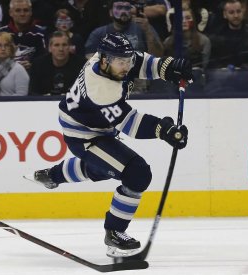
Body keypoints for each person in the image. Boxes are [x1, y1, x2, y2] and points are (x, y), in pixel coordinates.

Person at [27, 32, 192, 258]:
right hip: (84, 135)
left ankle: (52, 175)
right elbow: (131, 124)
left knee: (101, 168)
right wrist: (164, 130)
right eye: (120, 62)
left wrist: (169, 67)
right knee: (137, 173)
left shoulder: (111, 60)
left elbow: (142, 63)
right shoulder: (100, 88)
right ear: (104, 60)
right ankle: (114, 233)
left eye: (127, 60)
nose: (125, 66)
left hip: (97, 127)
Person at [85, 0, 164, 59]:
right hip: (108, 77)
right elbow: (89, 58)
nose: (123, 11)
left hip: (138, 75)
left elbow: (158, 55)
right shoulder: (99, 33)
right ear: (110, 12)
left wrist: (147, 31)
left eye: (127, 8)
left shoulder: (143, 27)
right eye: (119, 8)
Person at [0, 0, 47, 72]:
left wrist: (32, 64)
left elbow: (46, 59)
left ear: (31, 12)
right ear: (11, 13)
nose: (22, 14)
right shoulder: (0, 33)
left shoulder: (41, 33)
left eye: (26, 10)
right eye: (18, 10)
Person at [29, 31, 86, 96]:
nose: (61, 49)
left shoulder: (82, 64)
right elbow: (33, 92)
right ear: (50, 48)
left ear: (69, 47)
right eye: (56, 45)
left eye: (64, 45)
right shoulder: (38, 65)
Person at [208, 0, 248, 69]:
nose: (236, 15)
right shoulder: (216, 40)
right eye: (231, 12)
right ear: (225, 14)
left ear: (243, 12)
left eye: (238, 11)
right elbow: (212, 65)